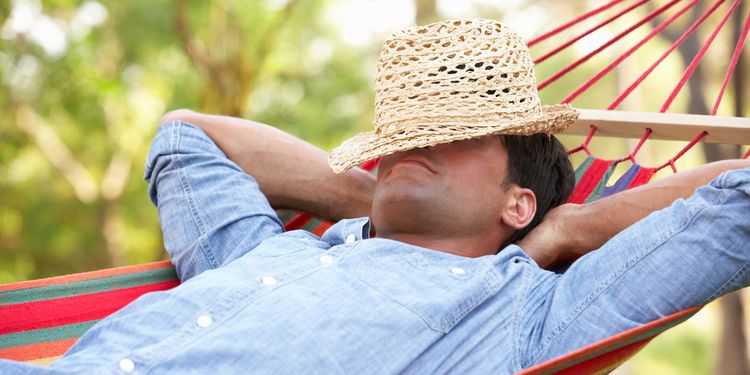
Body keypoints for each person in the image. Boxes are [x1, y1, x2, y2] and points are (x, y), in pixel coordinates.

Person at [3, 18, 750, 375]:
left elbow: (739, 201)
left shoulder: (527, 315)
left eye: (458, 133)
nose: (409, 141)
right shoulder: (264, 253)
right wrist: (374, 190)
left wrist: (572, 227)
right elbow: (184, 137)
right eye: (404, 131)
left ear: (518, 203)